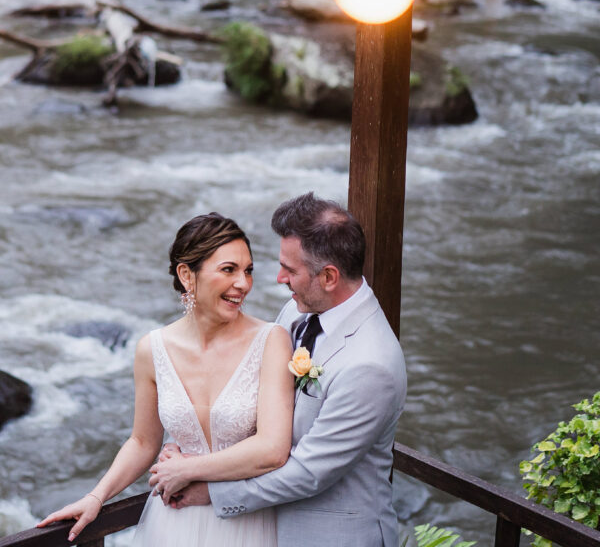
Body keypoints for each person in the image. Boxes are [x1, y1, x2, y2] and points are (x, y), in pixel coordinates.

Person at [149, 192, 407, 547]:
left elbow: (310, 472)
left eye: (290, 269)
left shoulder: (370, 365)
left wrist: (209, 489)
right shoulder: (297, 313)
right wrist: (190, 452)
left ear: (329, 277)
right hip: (269, 526)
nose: (278, 278)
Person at [38, 213, 294, 545]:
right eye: (229, 270)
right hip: (173, 524)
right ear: (187, 275)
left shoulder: (271, 340)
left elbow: (272, 450)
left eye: (248, 271)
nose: (243, 284)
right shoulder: (152, 349)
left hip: (246, 520)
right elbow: (143, 442)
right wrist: (96, 496)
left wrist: (186, 470)